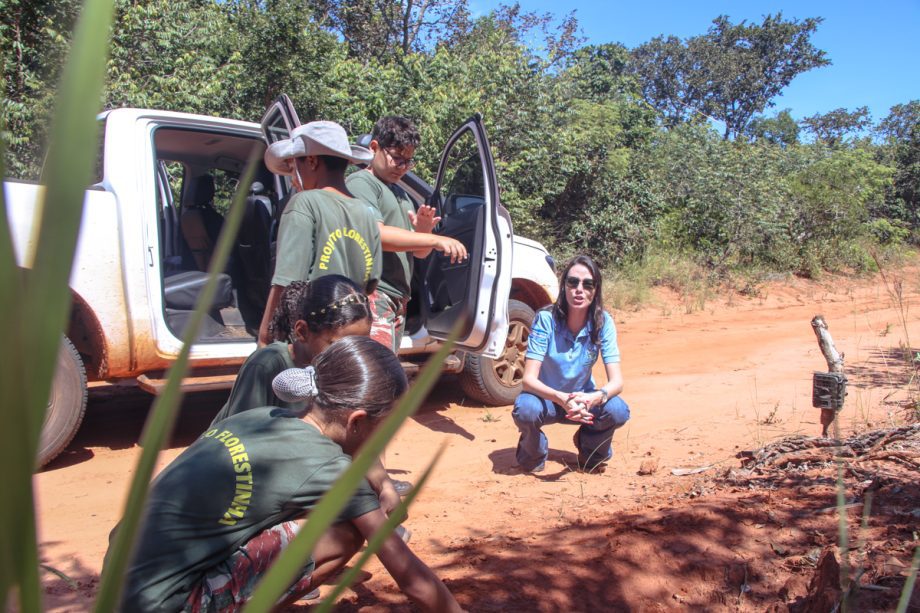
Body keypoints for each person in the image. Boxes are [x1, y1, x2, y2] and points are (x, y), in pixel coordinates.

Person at [106, 336, 462, 612]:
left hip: (120, 587)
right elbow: (412, 579)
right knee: (346, 532)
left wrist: (379, 485)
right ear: (357, 421)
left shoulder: (260, 418)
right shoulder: (329, 469)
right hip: (169, 604)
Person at [346, 115, 467, 352]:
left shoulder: (401, 195)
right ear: (374, 147)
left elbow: (420, 254)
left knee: (385, 367)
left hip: (397, 298)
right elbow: (378, 235)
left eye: (408, 161)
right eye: (397, 158)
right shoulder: (362, 183)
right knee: (376, 367)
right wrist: (434, 238)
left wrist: (423, 229)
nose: (402, 167)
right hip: (374, 294)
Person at [257, 121, 381, 346]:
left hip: (312, 340)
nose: (293, 178)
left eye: (293, 167)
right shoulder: (366, 212)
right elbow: (370, 284)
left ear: (312, 161)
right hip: (350, 340)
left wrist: (265, 338)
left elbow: (286, 283)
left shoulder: (304, 203)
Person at [511, 255, 630, 473]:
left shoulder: (603, 322)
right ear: (564, 285)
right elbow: (528, 380)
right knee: (526, 410)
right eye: (573, 282)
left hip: (583, 402)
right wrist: (561, 398)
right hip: (546, 399)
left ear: (596, 290)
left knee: (617, 410)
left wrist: (594, 398)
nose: (579, 290)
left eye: (588, 284)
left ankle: (589, 447)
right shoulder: (545, 319)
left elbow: (617, 382)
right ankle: (533, 453)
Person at [210, 275, 371, 426]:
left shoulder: (348, 369)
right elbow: (240, 433)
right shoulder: (266, 365)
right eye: (337, 345)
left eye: (361, 343)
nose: (351, 354)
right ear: (302, 332)